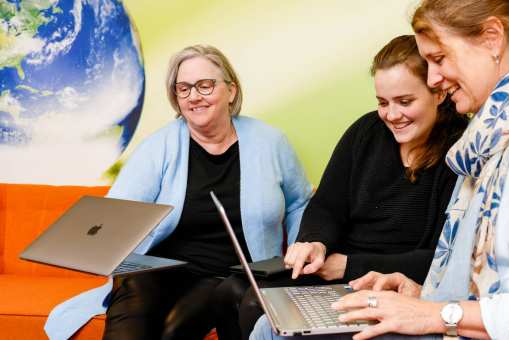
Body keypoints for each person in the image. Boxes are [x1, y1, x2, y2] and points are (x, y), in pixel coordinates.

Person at [250, 0, 509, 339]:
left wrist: (438, 313)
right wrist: (422, 293)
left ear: (492, 38)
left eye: (439, 58)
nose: (433, 78)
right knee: (271, 323)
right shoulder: (494, 141)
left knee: (272, 331)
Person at [43, 44, 312, 340]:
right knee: (133, 287)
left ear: (231, 91)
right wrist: (95, 243)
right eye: (183, 89)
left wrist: (299, 259)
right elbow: (116, 211)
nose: (194, 96)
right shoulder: (158, 147)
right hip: (166, 271)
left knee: (175, 329)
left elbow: (300, 202)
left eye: (205, 85)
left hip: (232, 276)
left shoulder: (271, 142)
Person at [235, 34, 467, 339]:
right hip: (335, 271)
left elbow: (443, 257)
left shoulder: (460, 152)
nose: (392, 115)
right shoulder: (366, 132)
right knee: (239, 293)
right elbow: (326, 207)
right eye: (383, 103)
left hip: (394, 282)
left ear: (438, 93)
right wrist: (314, 242)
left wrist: (349, 267)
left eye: (405, 101)